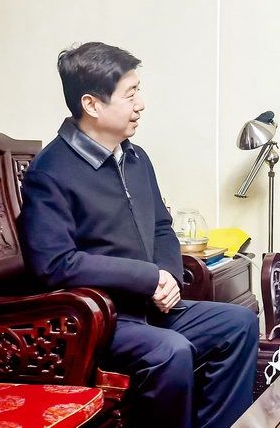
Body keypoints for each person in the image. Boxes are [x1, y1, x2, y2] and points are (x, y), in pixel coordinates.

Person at [17, 42, 259, 428]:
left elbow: (161, 225)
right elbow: (54, 264)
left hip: (149, 309)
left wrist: (169, 278)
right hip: (98, 321)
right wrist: (148, 278)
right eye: (130, 94)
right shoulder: (50, 172)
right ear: (92, 104)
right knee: (170, 352)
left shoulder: (136, 157)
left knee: (238, 323)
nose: (141, 104)